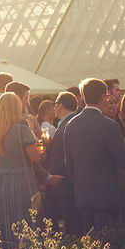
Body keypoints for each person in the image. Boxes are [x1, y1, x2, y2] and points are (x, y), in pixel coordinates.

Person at [64, 78, 125, 232]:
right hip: (106, 194)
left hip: (83, 193)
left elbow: (69, 163)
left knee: (90, 242)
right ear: (103, 97)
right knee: (107, 241)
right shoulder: (110, 126)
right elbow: (123, 161)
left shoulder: (71, 125)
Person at [0, 92, 49, 244]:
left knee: (5, 220)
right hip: (21, 179)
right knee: (26, 219)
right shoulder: (21, 130)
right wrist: (44, 151)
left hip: (1, 182)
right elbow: (35, 158)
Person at [45, 91, 78, 230]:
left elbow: (71, 155)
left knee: (70, 223)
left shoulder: (69, 124)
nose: (54, 108)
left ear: (60, 105)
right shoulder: (65, 123)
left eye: (55, 104)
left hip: (63, 181)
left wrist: (53, 174)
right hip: (63, 182)